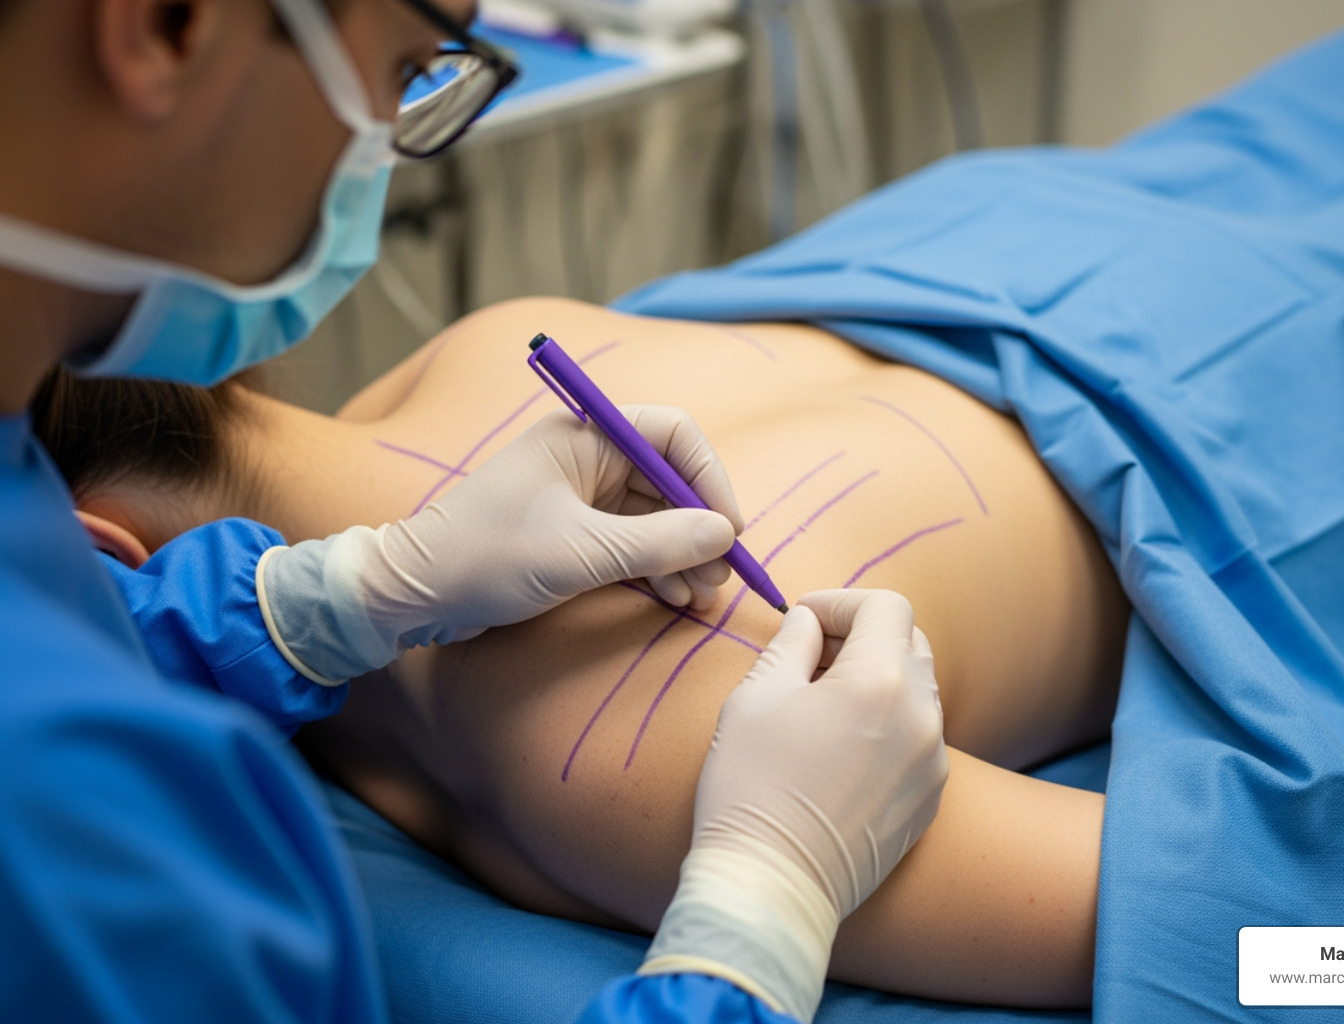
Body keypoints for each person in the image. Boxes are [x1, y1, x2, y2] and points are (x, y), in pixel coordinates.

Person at [0, 0, 950, 1021]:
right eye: (406, 70)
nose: (391, 148)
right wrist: (762, 918)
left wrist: (334, 597)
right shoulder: (62, 818)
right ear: (169, 24)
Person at [33, 295, 1130, 1007]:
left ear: (93, 552)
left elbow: (1265, 946)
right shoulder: (470, 341)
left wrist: (1318, 970)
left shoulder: (618, 760)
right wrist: (771, 893)